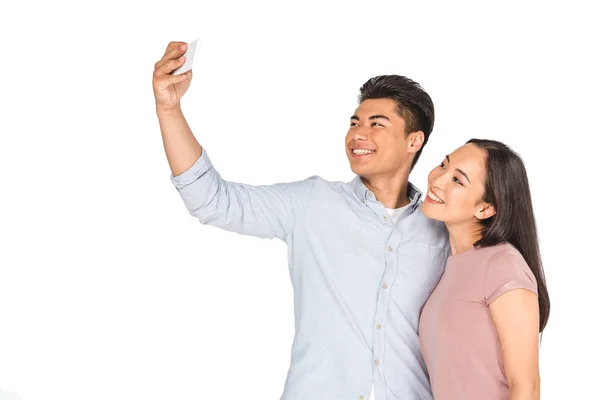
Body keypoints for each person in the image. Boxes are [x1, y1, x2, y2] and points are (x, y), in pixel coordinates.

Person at [152, 41, 449, 400]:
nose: (358, 134)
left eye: (377, 124)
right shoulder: (312, 203)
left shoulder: (444, 228)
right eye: (355, 122)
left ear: (413, 140)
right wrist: (169, 110)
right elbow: (212, 200)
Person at [418, 139, 551, 399]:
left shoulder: (502, 264)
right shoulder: (450, 264)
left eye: (458, 180)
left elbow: (526, 387)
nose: (438, 180)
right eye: (443, 165)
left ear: (485, 208)